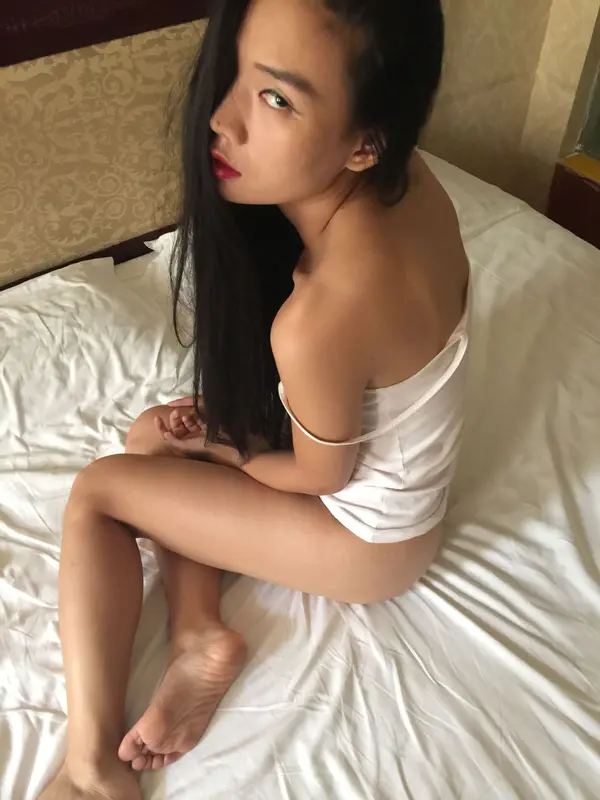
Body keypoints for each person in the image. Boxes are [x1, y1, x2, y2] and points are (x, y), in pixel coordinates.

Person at [39, 0, 470, 797]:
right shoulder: (415, 184)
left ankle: (92, 767)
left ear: (364, 144)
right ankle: (199, 634)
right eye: (234, 69)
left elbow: (322, 476)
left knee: (101, 491)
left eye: (276, 98)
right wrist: (213, 442)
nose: (222, 119)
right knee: (150, 439)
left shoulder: (320, 314)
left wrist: (225, 449)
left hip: (368, 543)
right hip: (397, 492)